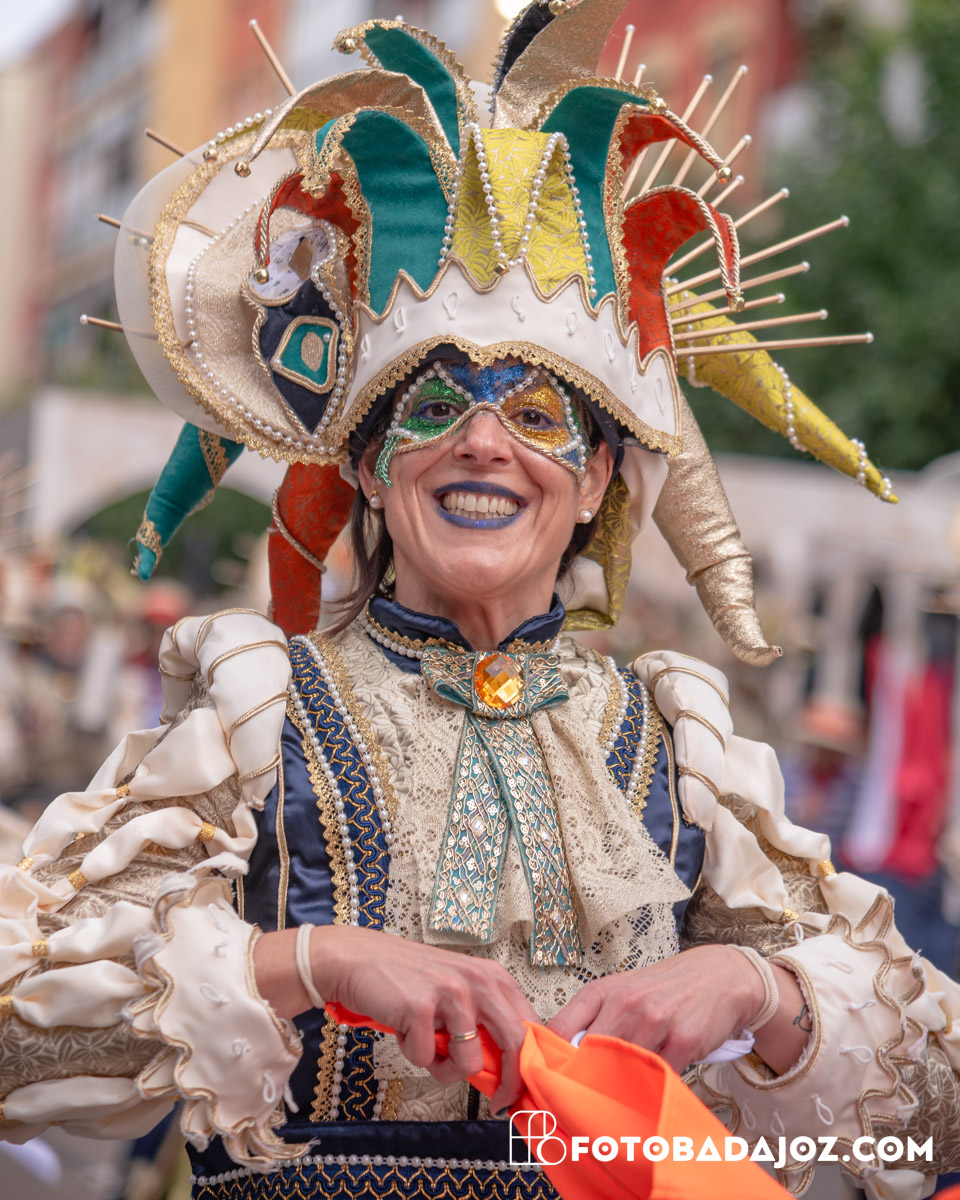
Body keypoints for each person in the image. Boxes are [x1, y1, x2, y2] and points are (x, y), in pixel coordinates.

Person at [2, 5, 958, 1199]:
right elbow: (19, 1028)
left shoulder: (681, 746)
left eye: (541, 416)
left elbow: (936, 1109)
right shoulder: (260, 712)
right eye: (434, 406)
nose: (484, 444)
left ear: (600, 478)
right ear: (365, 464)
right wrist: (310, 960)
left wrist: (759, 988)